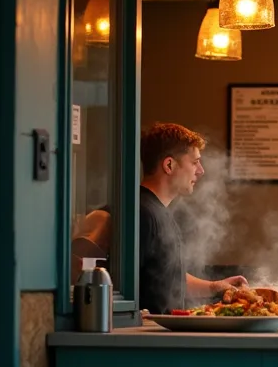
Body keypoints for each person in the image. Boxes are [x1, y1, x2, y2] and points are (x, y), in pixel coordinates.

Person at [74, 122, 246, 314]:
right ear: (169, 165)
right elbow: (118, 283)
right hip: (143, 330)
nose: (200, 170)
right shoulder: (141, 214)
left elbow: (168, 277)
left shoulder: (153, 210)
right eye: (195, 162)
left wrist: (215, 286)